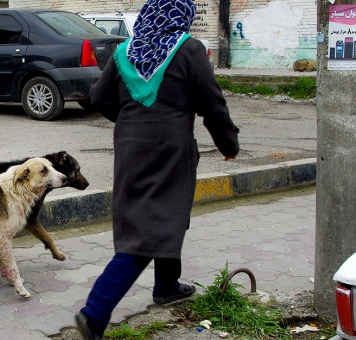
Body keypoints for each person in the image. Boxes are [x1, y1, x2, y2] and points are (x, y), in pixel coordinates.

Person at [75, 0, 240, 338]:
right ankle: (94, 313)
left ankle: (166, 286)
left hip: (130, 149)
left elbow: (100, 98)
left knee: (163, 215)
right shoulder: (189, 49)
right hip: (170, 151)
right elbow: (213, 103)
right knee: (147, 233)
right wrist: (229, 145)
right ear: (182, 17)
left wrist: (134, 124)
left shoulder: (124, 51)